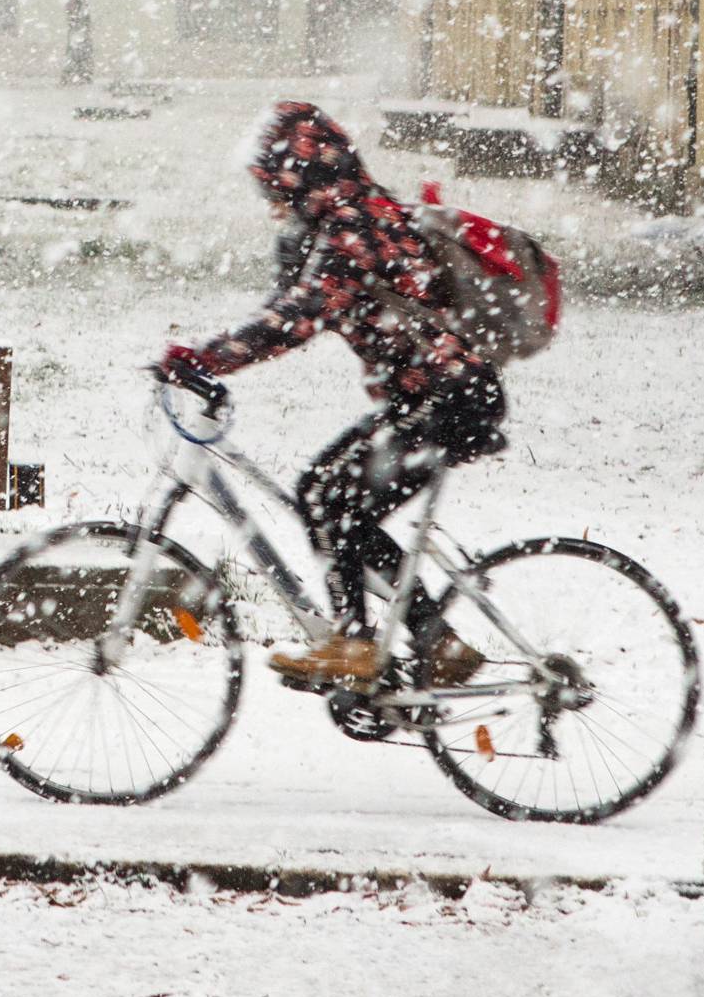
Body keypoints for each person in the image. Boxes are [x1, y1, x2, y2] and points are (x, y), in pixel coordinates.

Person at [152, 100, 505, 692]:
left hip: (451, 400)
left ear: (303, 176)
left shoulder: (353, 225)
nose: (273, 203)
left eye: (277, 187)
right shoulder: (346, 218)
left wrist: (209, 358)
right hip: (437, 397)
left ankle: (355, 641)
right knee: (334, 499)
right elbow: (289, 303)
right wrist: (213, 355)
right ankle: (435, 642)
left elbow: (298, 317)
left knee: (327, 496)